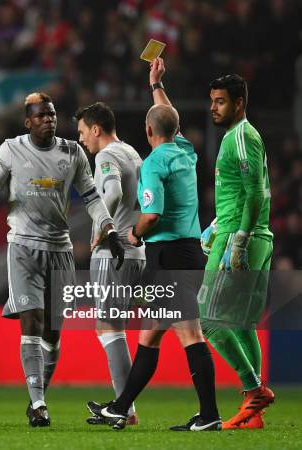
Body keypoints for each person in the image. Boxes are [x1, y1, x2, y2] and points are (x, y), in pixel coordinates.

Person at [0, 92, 125, 427]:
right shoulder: (9, 149)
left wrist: (108, 228)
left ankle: (38, 396)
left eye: (52, 114)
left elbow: (92, 195)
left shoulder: (73, 152)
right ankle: (38, 404)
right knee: (30, 321)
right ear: (28, 121)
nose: (49, 119)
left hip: (59, 249)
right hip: (22, 246)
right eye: (42, 115)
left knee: (52, 332)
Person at [91, 58, 221, 431]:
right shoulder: (185, 151)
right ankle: (120, 407)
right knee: (150, 334)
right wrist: (155, 85)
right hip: (189, 250)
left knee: (189, 334)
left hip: (169, 254)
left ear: (147, 130)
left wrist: (132, 235)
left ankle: (210, 415)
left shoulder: (153, 164)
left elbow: (152, 216)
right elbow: (170, 118)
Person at [199, 74, 274, 429]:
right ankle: (253, 412)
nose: (213, 107)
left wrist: (238, 237)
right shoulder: (239, 137)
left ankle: (253, 389)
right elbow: (241, 193)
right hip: (244, 232)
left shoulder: (242, 136)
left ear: (239, 103)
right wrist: (216, 223)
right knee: (242, 323)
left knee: (209, 319)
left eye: (221, 101)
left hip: (240, 237)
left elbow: (256, 193)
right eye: (212, 100)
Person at [74, 102, 145, 426]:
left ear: (96, 129)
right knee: (113, 326)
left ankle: (125, 408)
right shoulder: (132, 152)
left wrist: (104, 229)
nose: (81, 140)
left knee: (108, 326)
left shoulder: (105, 156)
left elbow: (113, 192)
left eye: (82, 132)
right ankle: (124, 405)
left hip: (113, 252)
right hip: (135, 250)